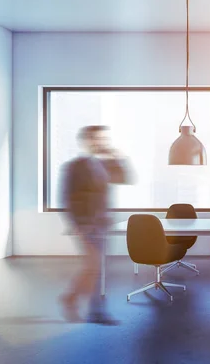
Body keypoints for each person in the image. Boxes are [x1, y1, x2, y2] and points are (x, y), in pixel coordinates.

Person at [59, 125, 134, 325]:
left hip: (102, 224)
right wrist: (77, 224)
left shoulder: (104, 165)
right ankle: (90, 308)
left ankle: (75, 301)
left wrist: (117, 155)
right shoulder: (75, 166)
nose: (101, 143)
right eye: (96, 139)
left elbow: (126, 179)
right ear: (86, 141)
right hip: (86, 225)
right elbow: (66, 197)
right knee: (95, 267)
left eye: (104, 139)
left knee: (97, 268)